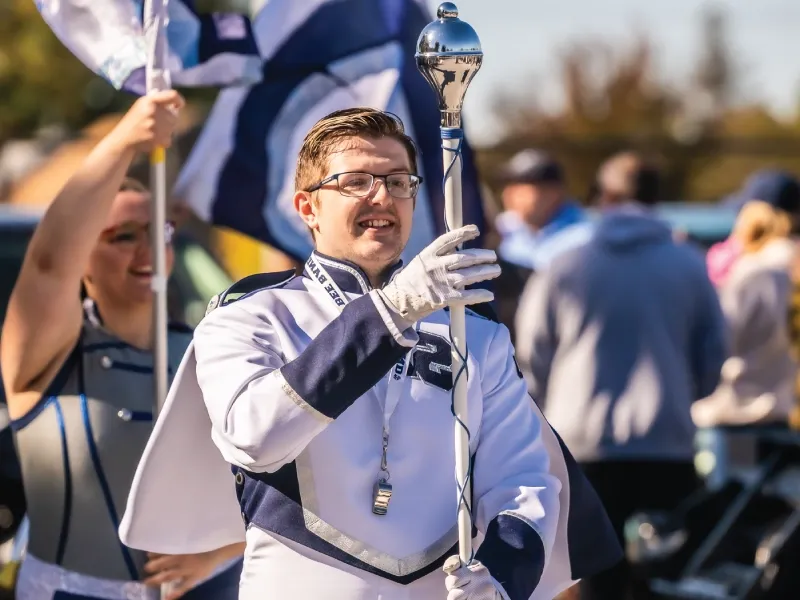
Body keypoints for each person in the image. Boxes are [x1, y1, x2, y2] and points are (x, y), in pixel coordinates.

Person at [119, 107, 622, 600]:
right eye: (356, 181)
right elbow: (255, 437)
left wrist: (499, 578)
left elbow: (523, 480)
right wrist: (392, 312)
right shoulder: (249, 315)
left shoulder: (475, 334)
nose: (382, 195)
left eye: (399, 181)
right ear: (307, 208)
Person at [0, 92, 243, 600]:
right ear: (83, 261)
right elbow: (48, 263)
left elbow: (277, 482)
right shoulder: (45, 359)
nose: (148, 249)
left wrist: (219, 553)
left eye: (160, 231)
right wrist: (126, 139)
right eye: (123, 235)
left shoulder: (211, 352)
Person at [515, 151, 727, 600]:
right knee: (667, 576)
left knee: (593, 578)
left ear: (605, 195)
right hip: (666, 441)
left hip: (581, 443)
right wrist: (683, 398)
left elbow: (532, 356)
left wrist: (545, 415)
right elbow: (713, 356)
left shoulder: (565, 265)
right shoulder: (689, 264)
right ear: (655, 198)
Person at [493, 150, 593, 339]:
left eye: (523, 185)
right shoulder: (501, 229)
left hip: (563, 338)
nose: (510, 193)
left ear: (553, 192)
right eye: (509, 185)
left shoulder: (584, 238)